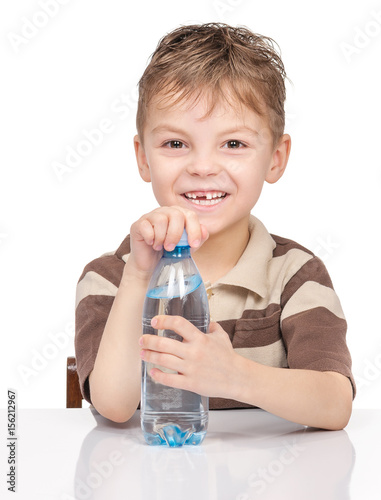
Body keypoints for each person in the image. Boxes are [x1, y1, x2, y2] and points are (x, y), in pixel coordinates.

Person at [75, 23, 355, 430]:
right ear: (143, 158)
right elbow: (114, 407)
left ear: (276, 158)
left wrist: (235, 375)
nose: (203, 167)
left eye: (233, 144)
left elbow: (334, 405)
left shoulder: (295, 273)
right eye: (175, 143)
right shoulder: (110, 278)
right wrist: (139, 277)